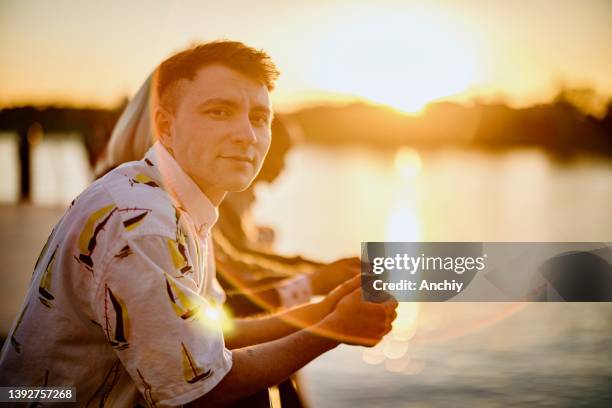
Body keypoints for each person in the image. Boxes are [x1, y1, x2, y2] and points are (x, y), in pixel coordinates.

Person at [0, 40, 397, 407]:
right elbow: (201, 392)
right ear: (166, 126)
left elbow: (218, 331)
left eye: (260, 117)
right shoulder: (140, 221)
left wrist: (325, 311)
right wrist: (331, 331)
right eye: (219, 111)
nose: (246, 134)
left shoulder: (182, 203)